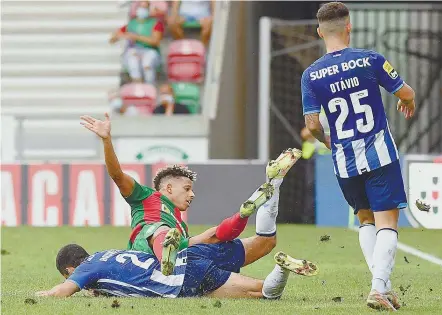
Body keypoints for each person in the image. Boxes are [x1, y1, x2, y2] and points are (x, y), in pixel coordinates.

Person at [80, 113, 302, 276]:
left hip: (181, 253)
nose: (192, 194)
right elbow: (118, 175)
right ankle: (169, 252)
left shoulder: (179, 225)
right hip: (143, 259)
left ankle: (253, 205)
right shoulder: (145, 197)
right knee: (162, 231)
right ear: (167, 189)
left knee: (260, 242)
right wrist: (107, 141)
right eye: (187, 189)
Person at [301, 2, 416, 311]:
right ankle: (378, 288)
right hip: (378, 154)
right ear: (348, 27)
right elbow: (404, 92)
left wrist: (325, 139)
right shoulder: (370, 60)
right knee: (388, 221)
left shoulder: (311, 75)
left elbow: (311, 124)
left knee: (364, 219)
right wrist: (411, 100)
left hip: (344, 160)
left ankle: (384, 286)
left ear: (319, 32)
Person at [35, 242, 316, 299]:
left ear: (71, 268)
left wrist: (45, 294)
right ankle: (281, 267)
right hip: (186, 262)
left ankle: (283, 272)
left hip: (180, 282)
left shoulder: (85, 271)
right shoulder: (108, 254)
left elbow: (64, 292)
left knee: (265, 296)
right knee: (261, 293)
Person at [110, 1, 164, 85]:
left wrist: (136, 37)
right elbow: (113, 38)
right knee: (133, 60)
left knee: (147, 62)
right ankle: (137, 85)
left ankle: (150, 86)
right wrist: (119, 36)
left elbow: (155, 41)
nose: (143, 10)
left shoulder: (155, 24)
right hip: (134, 50)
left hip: (150, 51)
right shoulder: (131, 24)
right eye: (141, 7)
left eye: (145, 8)